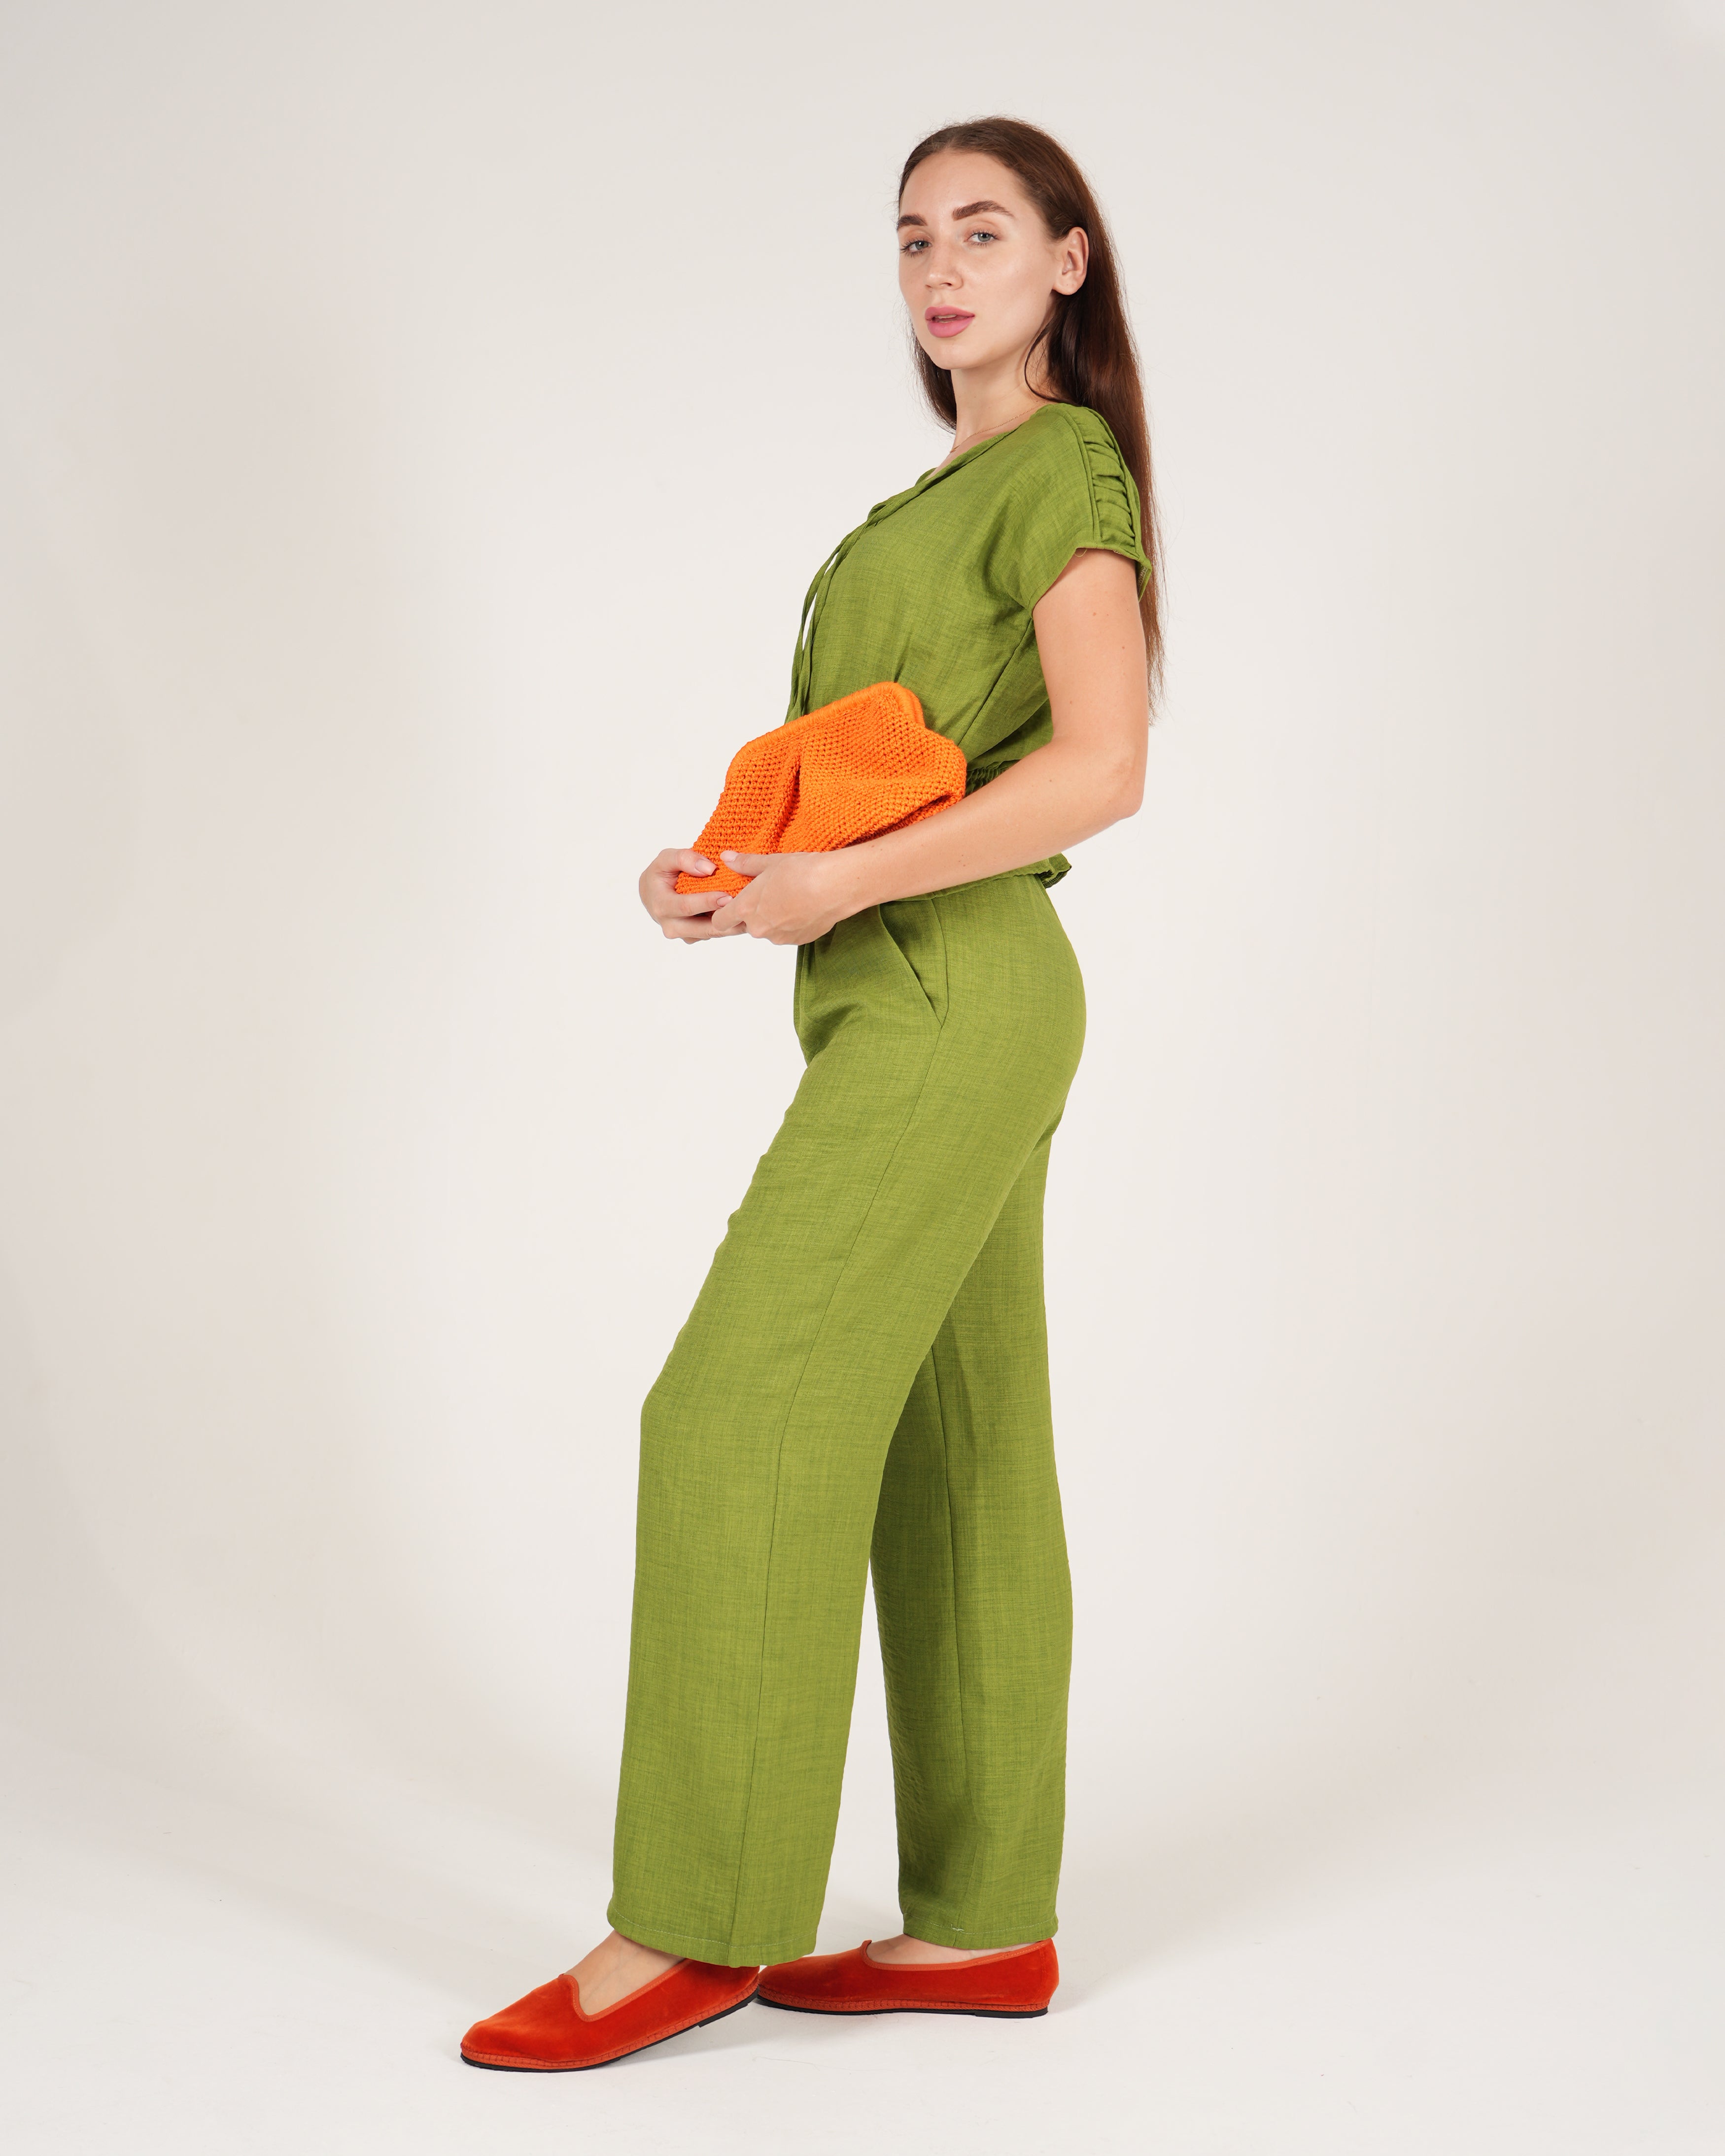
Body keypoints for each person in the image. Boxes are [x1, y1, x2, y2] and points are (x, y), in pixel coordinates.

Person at [461, 114, 1162, 2072]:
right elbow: (878, 770)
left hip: (951, 990)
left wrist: (839, 888)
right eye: (913, 236)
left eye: (984, 232)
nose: (940, 268)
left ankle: (693, 1923)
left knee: (734, 1408)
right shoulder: (926, 502)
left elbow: (1102, 764)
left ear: (1068, 260)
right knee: (956, 1456)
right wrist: (730, 869)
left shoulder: (1060, 470)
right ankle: (981, 1925)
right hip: (913, 991)